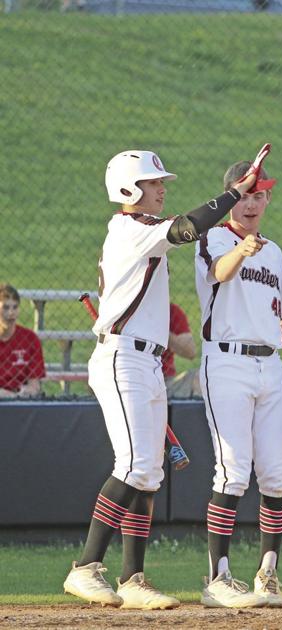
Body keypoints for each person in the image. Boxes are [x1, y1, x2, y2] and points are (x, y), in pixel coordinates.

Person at [64, 149, 258, 609]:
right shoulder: (131, 228)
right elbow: (189, 228)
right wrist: (236, 193)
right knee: (133, 466)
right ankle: (86, 567)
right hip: (121, 357)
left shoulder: (144, 231)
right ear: (129, 190)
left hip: (147, 361)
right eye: (153, 183)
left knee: (148, 475)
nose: (162, 187)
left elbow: (181, 228)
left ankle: (132, 579)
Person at [195, 160, 282, 608]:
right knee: (232, 471)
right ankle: (218, 577)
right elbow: (219, 274)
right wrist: (240, 251)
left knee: (277, 476)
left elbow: (281, 320)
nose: (251, 202)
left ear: (268, 199)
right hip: (226, 361)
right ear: (231, 195)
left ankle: (268, 572)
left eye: (259, 194)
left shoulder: (273, 252)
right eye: (244, 193)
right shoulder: (212, 238)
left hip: (270, 367)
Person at [0, 284, 45, 398]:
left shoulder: (30, 339)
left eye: (15, 307)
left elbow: (34, 384)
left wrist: (28, 392)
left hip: (20, 401)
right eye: (5, 307)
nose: (11, 313)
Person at [162, 302, 198, 398]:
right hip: (133, 376)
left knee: (199, 377)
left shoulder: (170, 310)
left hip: (165, 381)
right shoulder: (127, 309)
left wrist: (160, 329)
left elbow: (191, 352)